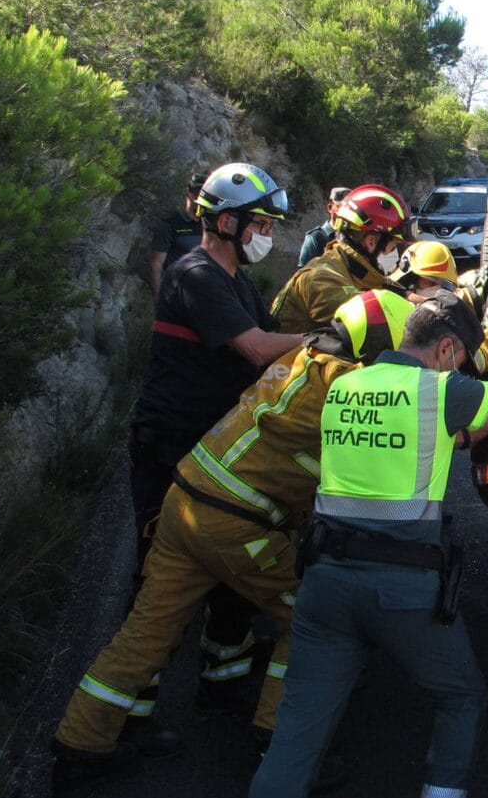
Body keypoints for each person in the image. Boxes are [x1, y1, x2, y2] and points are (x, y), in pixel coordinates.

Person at [51, 289, 417, 793]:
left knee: (147, 631)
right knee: (313, 618)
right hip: (237, 523)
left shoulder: (302, 355)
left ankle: (80, 747)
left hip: (184, 503)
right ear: (380, 350)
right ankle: (279, 744)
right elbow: (427, 420)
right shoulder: (349, 387)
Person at [251, 291, 488, 798]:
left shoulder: (346, 387)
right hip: (400, 591)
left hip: (324, 584)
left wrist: (458, 439)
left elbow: (387, 445)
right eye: (461, 359)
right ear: (445, 349)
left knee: (298, 730)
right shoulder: (439, 392)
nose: (459, 368)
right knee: (461, 696)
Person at [126, 162, 305, 732]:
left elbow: (271, 342)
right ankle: (129, 713)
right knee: (160, 587)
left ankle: (221, 685)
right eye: (259, 224)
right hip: (170, 448)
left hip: (210, 452)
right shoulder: (194, 273)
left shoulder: (237, 281)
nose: (266, 235)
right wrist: (323, 340)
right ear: (226, 223)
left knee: (231, 585)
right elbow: (257, 349)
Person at [272, 183, 411, 333]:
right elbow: (369, 321)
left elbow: (394, 291)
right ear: (371, 241)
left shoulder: (357, 268)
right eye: (394, 243)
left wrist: (432, 304)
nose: (393, 249)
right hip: (291, 355)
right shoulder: (321, 278)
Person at [390, 240, 488, 373]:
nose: (412, 288)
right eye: (410, 283)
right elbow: (471, 362)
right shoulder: (417, 321)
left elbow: (436, 305)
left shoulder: (388, 299)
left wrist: (470, 297)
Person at [148, 172, 207, 298]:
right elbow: (156, 265)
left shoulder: (211, 226)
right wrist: (159, 302)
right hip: (177, 297)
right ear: (190, 195)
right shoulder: (170, 224)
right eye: (198, 194)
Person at [297, 186, 350, 267]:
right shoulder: (316, 238)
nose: (345, 212)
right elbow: (304, 274)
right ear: (330, 208)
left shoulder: (352, 239)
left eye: (349, 209)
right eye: (341, 207)